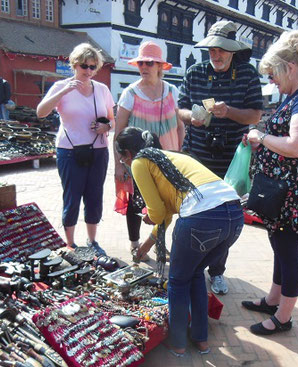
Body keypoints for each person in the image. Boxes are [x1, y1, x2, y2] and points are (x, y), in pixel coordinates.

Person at [116, 126, 243, 357]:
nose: (124, 163)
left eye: (122, 158)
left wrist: (148, 217)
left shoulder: (139, 162)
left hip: (202, 217)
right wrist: (146, 245)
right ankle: (201, 340)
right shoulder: (172, 158)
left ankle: (178, 344)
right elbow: (166, 213)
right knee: (194, 273)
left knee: (177, 280)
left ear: (128, 153)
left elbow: (156, 212)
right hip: (234, 216)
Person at [241, 30, 298, 336]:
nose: (272, 82)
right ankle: (273, 299)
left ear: (289, 67)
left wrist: (261, 137)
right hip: (284, 189)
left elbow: (297, 146)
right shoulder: (297, 96)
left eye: (273, 75)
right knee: (279, 244)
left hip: (297, 192)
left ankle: (284, 316)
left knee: (288, 250)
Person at [177, 20, 263, 295]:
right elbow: (179, 110)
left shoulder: (248, 74)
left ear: (233, 51)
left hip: (231, 157)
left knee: (226, 216)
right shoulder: (195, 72)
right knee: (194, 210)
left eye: (222, 50)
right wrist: (193, 118)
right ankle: (192, 266)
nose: (216, 55)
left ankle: (217, 271)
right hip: (197, 152)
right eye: (212, 49)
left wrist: (230, 112)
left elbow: (254, 115)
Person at [36, 43, 114, 255]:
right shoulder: (61, 87)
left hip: (98, 149)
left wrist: (106, 126)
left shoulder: (102, 89)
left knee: (94, 195)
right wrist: (63, 91)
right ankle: (70, 243)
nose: (88, 71)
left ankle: (92, 240)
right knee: (72, 196)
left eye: (92, 66)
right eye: (83, 66)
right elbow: (41, 112)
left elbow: (112, 119)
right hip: (69, 150)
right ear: (74, 65)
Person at [114, 41, 185, 259]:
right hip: (137, 159)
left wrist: (180, 154)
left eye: (150, 63)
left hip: (167, 158)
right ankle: (135, 244)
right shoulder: (131, 93)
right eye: (142, 62)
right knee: (136, 203)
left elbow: (180, 125)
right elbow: (118, 132)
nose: (144, 67)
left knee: (166, 204)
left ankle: (159, 243)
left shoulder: (173, 91)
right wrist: (118, 164)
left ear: (160, 66)